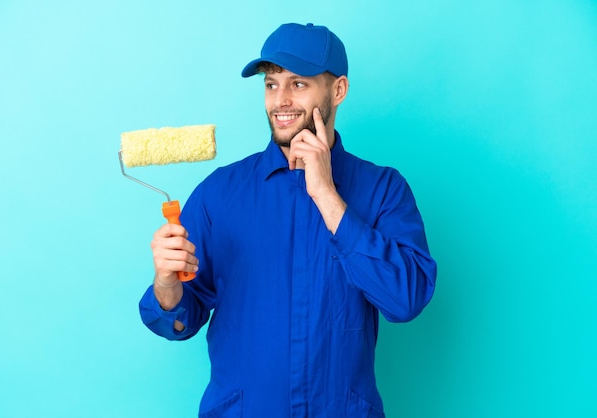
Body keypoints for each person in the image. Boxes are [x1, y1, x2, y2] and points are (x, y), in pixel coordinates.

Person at [139, 22, 437, 418]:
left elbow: (407, 299)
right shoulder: (219, 194)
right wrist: (166, 284)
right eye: (271, 84)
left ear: (338, 90)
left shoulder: (382, 189)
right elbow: (180, 317)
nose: (280, 100)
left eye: (298, 84)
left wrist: (328, 197)